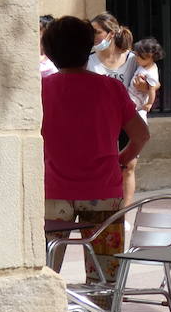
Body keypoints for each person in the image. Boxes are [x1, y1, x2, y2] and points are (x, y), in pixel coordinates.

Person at [41, 16, 149, 296]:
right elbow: (141, 136)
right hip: (103, 190)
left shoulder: (41, 90)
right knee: (105, 279)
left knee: (45, 272)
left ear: (50, 51)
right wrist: (122, 159)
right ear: (88, 45)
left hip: (54, 193)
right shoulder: (110, 89)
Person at [88, 13, 142, 203]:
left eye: (97, 32)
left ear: (111, 33)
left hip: (127, 120)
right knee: (102, 167)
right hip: (100, 122)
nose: (93, 36)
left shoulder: (133, 59)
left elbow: (150, 85)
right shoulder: (89, 60)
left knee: (129, 166)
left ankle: (124, 212)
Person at [130, 37, 162, 119]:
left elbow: (152, 89)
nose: (136, 58)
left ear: (149, 56)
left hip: (138, 99)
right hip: (132, 94)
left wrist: (149, 103)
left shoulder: (151, 73)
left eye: (138, 56)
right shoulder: (144, 65)